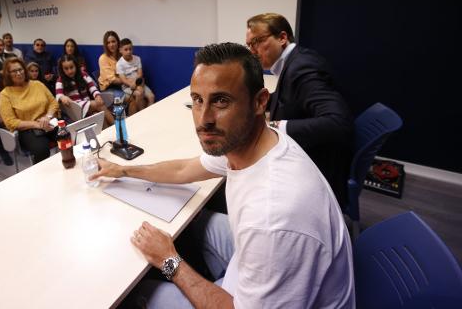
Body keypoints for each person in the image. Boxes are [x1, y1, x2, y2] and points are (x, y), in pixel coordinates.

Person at [92, 42, 354, 308]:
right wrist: (123, 170)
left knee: (139, 293)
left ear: (260, 102)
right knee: (193, 225)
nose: (204, 119)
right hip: (252, 263)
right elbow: (184, 169)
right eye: (197, 100)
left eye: (221, 101)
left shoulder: (273, 216)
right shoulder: (255, 143)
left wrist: (169, 261)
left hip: (251, 289)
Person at [245, 13, 353, 206]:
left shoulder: (302, 68)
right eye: (249, 45)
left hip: (316, 171)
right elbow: (285, 99)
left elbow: (338, 123)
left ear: (282, 38)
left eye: (258, 42)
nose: (252, 51)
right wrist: (248, 104)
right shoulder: (295, 61)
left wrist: (274, 126)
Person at [0, 58, 58, 163]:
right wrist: (36, 124)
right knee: (42, 150)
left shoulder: (37, 84)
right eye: (14, 71)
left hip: (48, 121)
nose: (18, 73)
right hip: (27, 129)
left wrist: (47, 116)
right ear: (8, 74)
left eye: (20, 69)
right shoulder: (5, 94)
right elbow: (10, 122)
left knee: (69, 136)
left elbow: (53, 102)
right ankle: (42, 176)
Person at [55, 54, 114, 127]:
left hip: (87, 104)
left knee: (100, 117)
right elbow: (58, 95)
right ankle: (115, 125)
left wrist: (97, 96)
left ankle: (110, 134)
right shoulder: (60, 80)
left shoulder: (83, 74)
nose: (70, 71)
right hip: (75, 108)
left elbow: (92, 87)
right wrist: (62, 97)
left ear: (76, 66)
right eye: (66, 69)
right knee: (99, 104)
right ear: (62, 69)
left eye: (71, 67)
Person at [116, 38, 155, 114]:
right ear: (120, 50)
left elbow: (140, 74)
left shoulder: (137, 58)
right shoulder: (119, 64)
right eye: (126, 50)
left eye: (130, 49)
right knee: (139, 93)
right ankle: (141, 114)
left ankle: (149, 114)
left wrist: (137, 84)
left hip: (139, 82)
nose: (129, 51)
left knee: (151, 97)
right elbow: (123, 80)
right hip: (127, 86)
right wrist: (133, 84)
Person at [98, 30, 125, 100]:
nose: (111, 45)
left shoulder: (122, 55)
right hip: (108, 88)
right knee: (130, 98)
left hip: (122, 84)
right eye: (108, 43)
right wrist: (128, 81)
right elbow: (113, 80)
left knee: (139, 94)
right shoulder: (103, 58)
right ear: (105, 45)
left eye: (113, 41)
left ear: (118, 42)